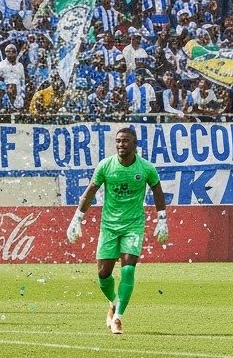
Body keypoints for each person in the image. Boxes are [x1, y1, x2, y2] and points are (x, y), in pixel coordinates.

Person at [65, 127, 168, 335]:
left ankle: (118, 317)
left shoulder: (146, 168)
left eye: (126, 141)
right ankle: (113, 302)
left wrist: (162, 219)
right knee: (103, 274)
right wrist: (77, 218)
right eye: (119, 141)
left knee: (128, 268)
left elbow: (157, 190)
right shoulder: (106, 166)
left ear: (135, 144)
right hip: (109, 226)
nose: (121, 145)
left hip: (133, 225)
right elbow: (90, 192)